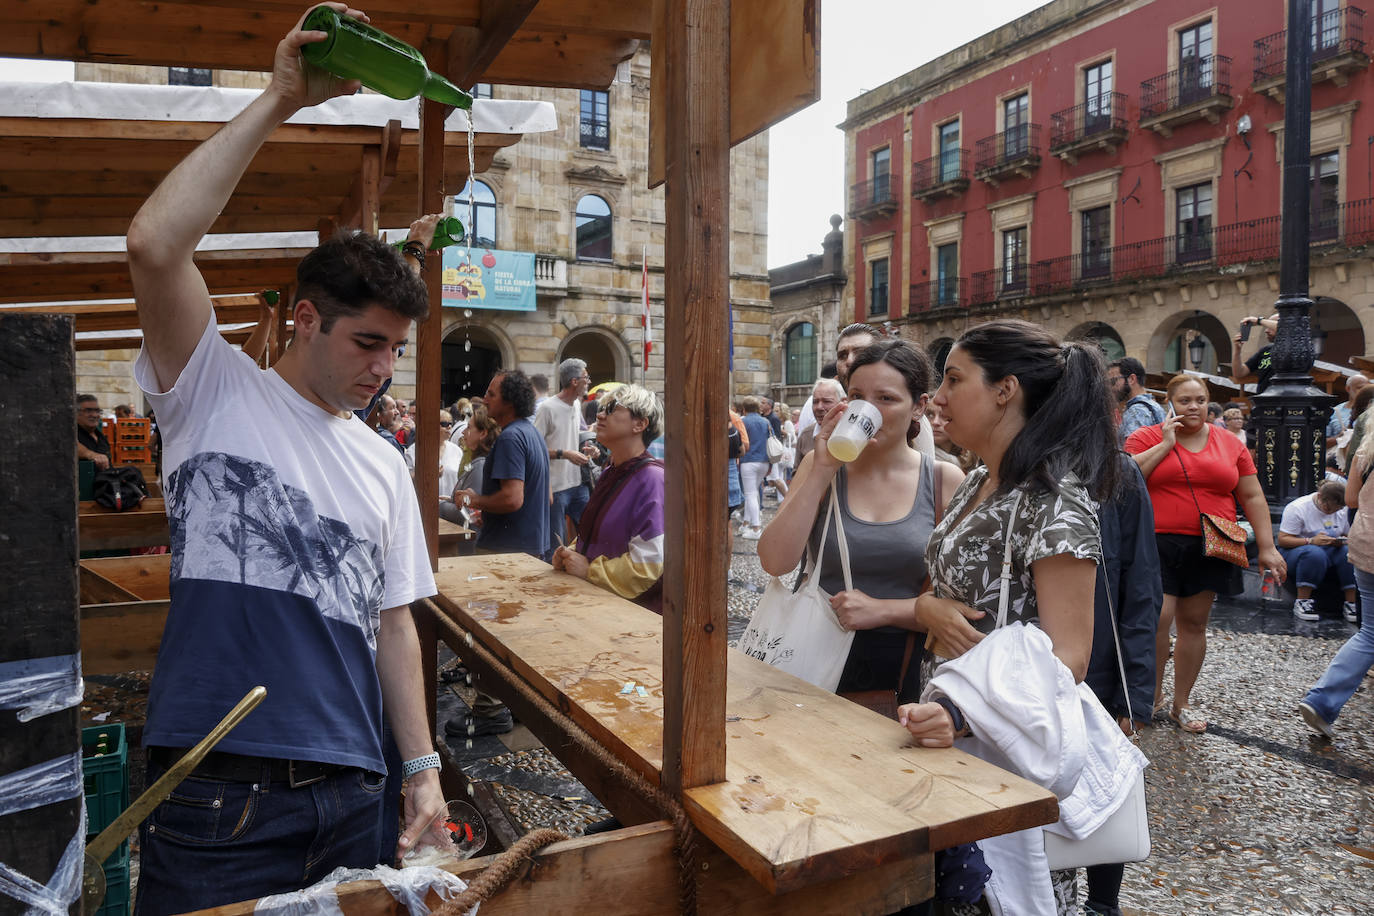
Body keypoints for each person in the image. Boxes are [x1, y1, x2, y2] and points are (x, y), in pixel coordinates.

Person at [124, 8, 444, 909]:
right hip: (219, 790)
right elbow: (153, 244)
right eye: (368, 344)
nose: (384, 371)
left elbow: (393, 626)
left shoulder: (383, 464)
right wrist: (280, 100)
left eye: (395, 351)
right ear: (305, 321)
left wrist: (419, 770)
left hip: (353, 793)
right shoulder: (213, 390)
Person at [897, 320, 1128, 916]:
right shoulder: (979, 479)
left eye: (953, 378)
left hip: (999, 750)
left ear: (1006, 390)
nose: (937, 396)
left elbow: (1069, 656)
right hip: (947, 736)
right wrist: (926, 608)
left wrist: (961, 716)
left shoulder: (1055, 499)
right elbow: (942, 591)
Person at [758, 339, 963, 710]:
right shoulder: (822, 469)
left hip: (903, 668)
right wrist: (821, 469)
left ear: (919, 406)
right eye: (857, 396)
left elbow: (960, 604)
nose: (868, 409)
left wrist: (884, 609)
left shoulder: (945, 480)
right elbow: (775, 562)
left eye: (886, 398)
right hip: (812, 655)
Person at [1124, 375, 1286, 733]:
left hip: (1210, 543)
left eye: (1199, 400)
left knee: (1194, 624)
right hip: (1155, 542)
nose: (1192, 407)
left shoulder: (1229, 443)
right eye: (1184, 400)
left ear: (1208, 402)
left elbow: (1253, 496)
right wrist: (1166, 444)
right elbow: (1126, 478)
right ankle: (1149, 696)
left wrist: (1267, 546)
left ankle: (1181, 703)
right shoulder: (1146, 437)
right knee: (1156, 620)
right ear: (1170, 403)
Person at [1080, 455, 1161, 916]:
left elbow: (1140, 582)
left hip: (1099, 667)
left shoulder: (1114, 471)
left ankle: (1102, 903)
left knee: (1105, 790)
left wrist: (1134, 692)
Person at [553, 385, 666, 612]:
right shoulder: (611, 471)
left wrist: (589, 570)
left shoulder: (651, 479)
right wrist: (572, 553)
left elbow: (649, 564)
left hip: (632, 619)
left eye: (612, 409)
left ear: (640, 424)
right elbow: (598, 532)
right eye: (602, 408)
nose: (600, 414)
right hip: (600, 606)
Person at [1298, 429, 1374, 738]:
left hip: (1366, 541)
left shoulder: (1365, 449)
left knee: (1369, 633)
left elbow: (1352, 498)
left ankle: (1323, 701)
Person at [454, 369, 550, 560]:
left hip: (505, 552)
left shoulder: (510, 438)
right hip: (528, 549)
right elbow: (548, 497)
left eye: (491, 394)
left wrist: (475, 500)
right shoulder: (532, 433)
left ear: (510, 401)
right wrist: (490, 513)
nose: (484, 399)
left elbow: (512, 499)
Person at [533, 358, 592, 559]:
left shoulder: (576, 405)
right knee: (555, 547)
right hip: (555, 488)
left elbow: (573, 438)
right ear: (574, 381)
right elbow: (534, 448)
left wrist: (587, 449)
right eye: (586, 377)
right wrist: (564, 454)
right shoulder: (547, 408)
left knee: (590, 535)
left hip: (578, 484)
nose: (589, 381)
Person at [1278, 481, 1356, 622]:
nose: (1331, 512)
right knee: (1314, 554)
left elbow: (1347, 534)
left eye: (1336, 510)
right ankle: (1302, 601)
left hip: (1329, 549)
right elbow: (1283, 540)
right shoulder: (1298, 508)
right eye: (1328, 508)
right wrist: (1311, 541)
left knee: (1348, 553)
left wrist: (1342, 541)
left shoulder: (1342, 511)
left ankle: (1351, 603)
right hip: (1297, 550)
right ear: (1320, 497)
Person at [410, 409, 464, 521]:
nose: (449, 427)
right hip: (423, 510)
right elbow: (406, 480)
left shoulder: (457, 451)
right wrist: (426, 474)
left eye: (451, 424)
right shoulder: (414, 450)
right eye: (444, 424)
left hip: (450, 510)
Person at [737, 395, 772, 539]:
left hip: (749, 460)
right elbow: (771, 440)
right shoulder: (765, 421)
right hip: (764, 461)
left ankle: (756, 528)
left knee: (750, 494)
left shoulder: (743, 421)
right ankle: (746, 523)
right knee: (753, 492)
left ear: (744, 409)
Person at [1107, 357, 1164, 443]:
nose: (1110, 387)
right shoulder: (1155, 406)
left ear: (1132, 379)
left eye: (1113, 381)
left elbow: (1132, 453)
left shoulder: (1137, 411)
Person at [796, 378, 843, 461]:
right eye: (815, 402)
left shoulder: (851, 434)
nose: (819, 407)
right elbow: (796, 473)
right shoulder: (806, 436)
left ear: (841, 403)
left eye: (827, 401)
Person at [1230, 314, 1278, 394]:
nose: (1266, 330)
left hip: (1284, 398)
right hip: (1264, 399)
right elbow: (1239, 373)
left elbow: (1286, 329)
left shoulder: (1295, 346)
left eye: (1270, 326)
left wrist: (1258, 321)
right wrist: (1237, 351)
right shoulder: (1265, 350)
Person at [1327, 374, 1369, 450]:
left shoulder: (1371, 411)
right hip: (1339, 458)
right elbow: (1321, 442)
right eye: (1359, 388)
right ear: (1348, 388)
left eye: (1366, 388)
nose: (1363, 391)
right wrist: (1339, 438)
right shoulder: (1335, 412)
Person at [76, 394, 111, 470]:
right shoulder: (73, 433)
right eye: (88, 411)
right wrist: (91, 455)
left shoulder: (100, 436)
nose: (95, 415)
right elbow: (70, 446)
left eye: (97, 411)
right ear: (76, 413)